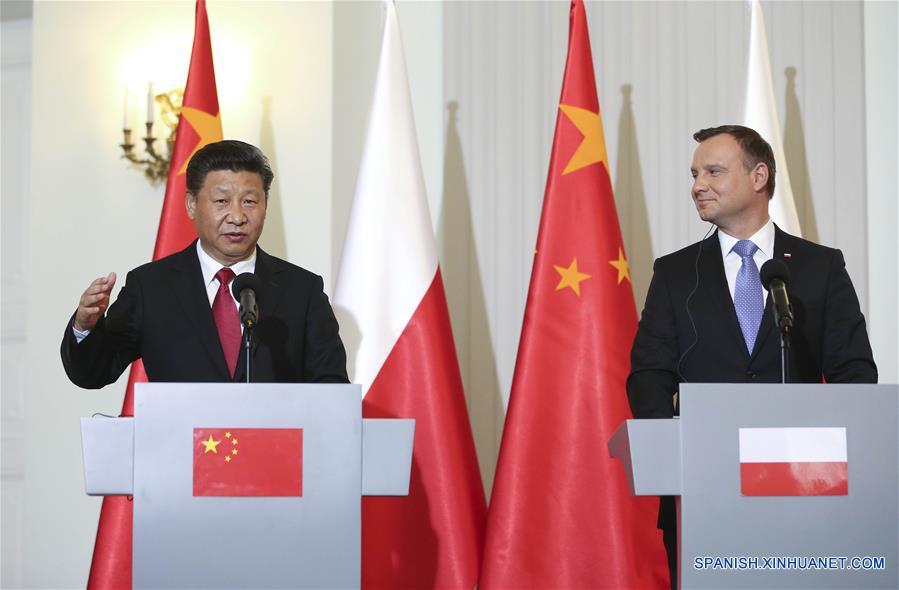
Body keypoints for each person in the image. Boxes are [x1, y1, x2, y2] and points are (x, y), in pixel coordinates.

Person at [626, 125, 877, 588]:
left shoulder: (819, 267)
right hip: (704, 496)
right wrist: (672, 452)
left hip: (804, 493)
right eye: (694, 173)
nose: (698, 184)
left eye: (714, 171)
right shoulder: (675, 273)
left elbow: (854, 373)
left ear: (758, 176)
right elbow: (649, 374)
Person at [61, 140, 348, 386]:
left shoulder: (302, 291)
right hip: (181, 448)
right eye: (222, 201)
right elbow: (93, 373)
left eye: (249, 201)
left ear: (265, 205)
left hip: (273, 449)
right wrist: (84, 326)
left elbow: (331, 389)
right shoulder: (151, 287)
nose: (237, 216)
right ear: (191, 204)